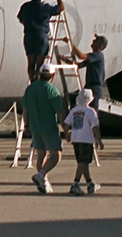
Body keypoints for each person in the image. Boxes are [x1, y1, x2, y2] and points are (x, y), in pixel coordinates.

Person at [22, 61, 66, 194]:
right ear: (52, 76)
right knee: (55, 156)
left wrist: (26, 124)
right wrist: (66, 128)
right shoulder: (52, 90)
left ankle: (43, 181)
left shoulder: (30, 88)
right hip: (49, 128)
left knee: (41, 155)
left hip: (35, 126)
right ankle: (41, 175)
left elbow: (25, 109)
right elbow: (60, 112)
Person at [17, 0, 64, 81]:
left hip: (29, 35)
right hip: (41, 36)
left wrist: (28, 24)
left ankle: (32, 79)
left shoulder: (25, 6)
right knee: (39, 63)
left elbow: (20, 19)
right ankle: (38, 80)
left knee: (30, 62)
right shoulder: (45, 8)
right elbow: (61, 8)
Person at [65, 88, 102, 195]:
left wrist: (68, 134)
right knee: (82, 163)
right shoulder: (91, 112)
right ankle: (75, 183)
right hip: (86, 140)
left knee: (83, 162)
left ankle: (90, 183)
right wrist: (99, 141)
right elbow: (95, 128)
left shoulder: (74, 110)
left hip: (76, 140)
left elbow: (66, 124)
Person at [69, 34, 108, 109]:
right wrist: (66, 61)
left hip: (94, 89)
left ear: (100, 46)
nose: (93, 41)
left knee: (92, 111)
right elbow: (79, 65)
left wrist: (72, 45)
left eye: (96, 40)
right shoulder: (93, 58)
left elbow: (81, 56)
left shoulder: (98, 55)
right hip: (89, 87)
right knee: (74, 99)